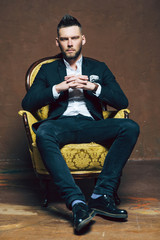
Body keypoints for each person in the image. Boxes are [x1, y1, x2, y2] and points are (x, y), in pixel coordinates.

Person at [22, 15, 140, 232]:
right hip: (62, 125)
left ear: (82, 39)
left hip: (92, 125)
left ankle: (101, 195)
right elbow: (28, 103)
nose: (69, 43)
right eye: (64, 39)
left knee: (130, 127)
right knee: (44, 132)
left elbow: (122, 101)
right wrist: (58, 88)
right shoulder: (48, 70)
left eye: (74, 38)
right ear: (57, 42)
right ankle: (77, 203)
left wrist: (93, 88)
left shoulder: (99, 67)